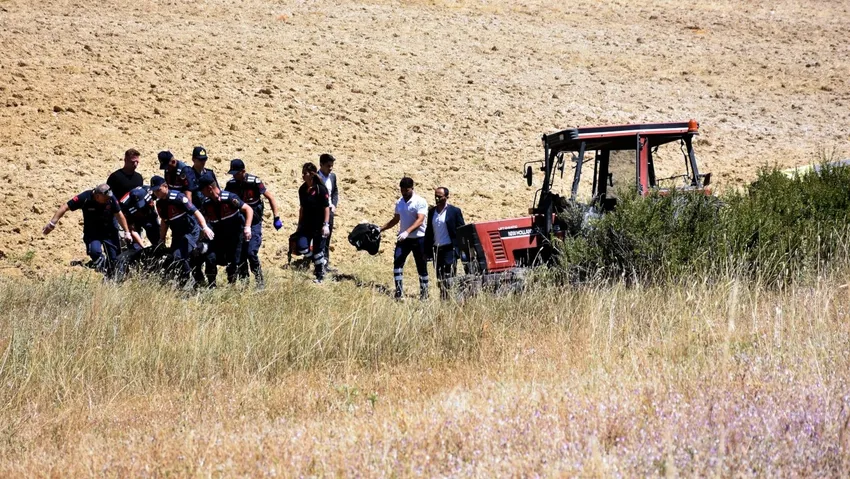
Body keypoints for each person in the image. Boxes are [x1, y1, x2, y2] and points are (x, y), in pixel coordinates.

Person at [42, 184, 133, 277]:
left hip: (109, 231)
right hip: (93, 232)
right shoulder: (85, 197)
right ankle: (105, 269)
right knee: (94, 252)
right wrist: (52, 223)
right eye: (105, 199)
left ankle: (117, 276)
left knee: (115, 258)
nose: (108, 200)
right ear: (97, 196)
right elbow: (65, 207)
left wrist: (127, 232)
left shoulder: (111, 198)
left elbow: (119, 215)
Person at [225, 158, 282, 288]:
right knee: (240, 254)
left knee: (251, 252)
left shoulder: (254, 182)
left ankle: (259, 280)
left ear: (243, 171)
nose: (234, 176)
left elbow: (270, 197)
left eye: (236, 173)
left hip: (254, 222)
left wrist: (276, 217)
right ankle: (244, 282)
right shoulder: (231, 185)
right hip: (239, 223)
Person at [150, 175, 215, 287]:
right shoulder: (160, 204)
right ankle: (185, 283)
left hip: (190, 232)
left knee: (183, 256)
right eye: (154, 191)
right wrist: (162, 238)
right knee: (176, 258)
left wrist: (204, 227)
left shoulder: (179, 198)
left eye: (158, 190)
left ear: (165, 186)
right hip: (177, 234)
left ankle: (193, 281)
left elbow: (195, 212)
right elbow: (164, 222)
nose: (156, 193)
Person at [197, 174, 253, 287]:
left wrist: (247, 227)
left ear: (209, 188)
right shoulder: (206, 203)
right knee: (210, 258)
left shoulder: (229, 198)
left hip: (235, 236)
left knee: (235, 263)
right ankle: (211, 285)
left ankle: (233, 286)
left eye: (202, 190)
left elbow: (248, 209)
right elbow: (202, 218)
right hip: (218, 237)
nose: (201, 193)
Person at [379, 177, 429, 300]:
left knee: (421, 266)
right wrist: (381, 229)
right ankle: (399, 292)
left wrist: (407, 231)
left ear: (412, 188)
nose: (404, 193)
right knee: (397, 262)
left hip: (419, 238)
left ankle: (424, 294)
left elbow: (420, 220)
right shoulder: (399, 202)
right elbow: (396, 219)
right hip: (404, 239)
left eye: (406, 190)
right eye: (402, 190)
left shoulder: (420, 201)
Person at [424, 187, 466, 300]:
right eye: (435, 196)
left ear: (446, 197)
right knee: (440, 276)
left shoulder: (454, 211)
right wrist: (426, 250)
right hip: (437, 250)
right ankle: (444, 298)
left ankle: (452, 298)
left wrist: (461, 248)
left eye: (440, 196)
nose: (437, 198)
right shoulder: (432, 212)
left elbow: (461, 229)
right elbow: (429, 231)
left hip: (449, 248)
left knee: (449, 276)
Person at [292, 162, 330, 283]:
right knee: (301, 246)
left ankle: (320, 275)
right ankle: (316, 259)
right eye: (302, 173)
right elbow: (302, 208)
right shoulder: (302, 189)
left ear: (312, 174)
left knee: (318, 250)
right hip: (306, 224)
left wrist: (326, 225)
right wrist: (299, 226)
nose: (303, 176)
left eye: (305, 173)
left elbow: (326, 207)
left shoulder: (320, 189)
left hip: (319, 225)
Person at [317, 153, 340, 272]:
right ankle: (318, 265)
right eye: (328, 166)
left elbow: (335, 192)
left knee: (327, 239)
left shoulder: (332, 177)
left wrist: (334, 205)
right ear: (321, 165)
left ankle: (325, 264)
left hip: (330, 212)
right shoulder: (315, 178)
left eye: (332, 165)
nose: (330, 168)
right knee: (318, 239)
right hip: (318, 213)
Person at [119, 185, 160, 250]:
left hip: (148, 214)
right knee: (134, 246)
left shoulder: (149, 192)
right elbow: (132, 229)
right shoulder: (124, 205)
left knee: (155, 235)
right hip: (134, 218)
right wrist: (143, 248)